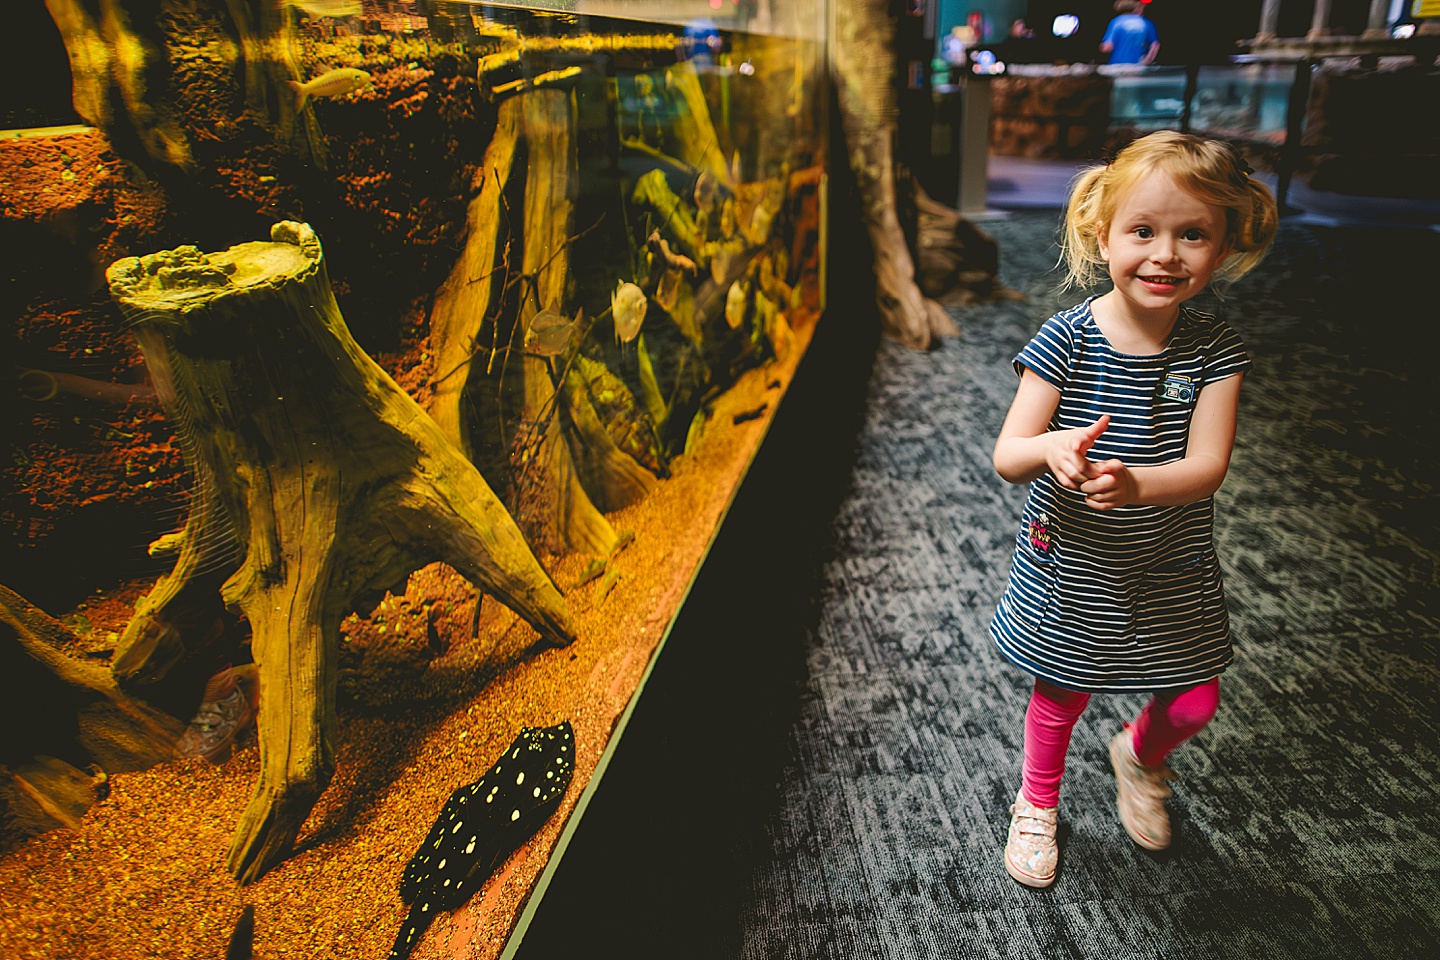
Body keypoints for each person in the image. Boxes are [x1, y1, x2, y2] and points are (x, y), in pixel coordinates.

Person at [989, 132, 1278, 888]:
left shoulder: (1215, 349)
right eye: (1143, 231)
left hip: (1169, 560)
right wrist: (1052, 447)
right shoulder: (1067, 340)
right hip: (1078, 557)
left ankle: (1140, 757)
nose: (1166, 255)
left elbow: (1208, 467)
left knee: (1192, 698)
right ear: (1102, 233)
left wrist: (1140, 485)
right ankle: (1037, 801)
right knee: (1062, 690)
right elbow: (1007, 454)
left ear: (1224, 245)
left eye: (1193, 235)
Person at [1100, 0, 1159, 65]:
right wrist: (1147, 60)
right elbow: (1155, 45)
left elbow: (1108, 47)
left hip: (1117, 65)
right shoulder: (1147, 23)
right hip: (1138, 66)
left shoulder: (1116, 22)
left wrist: (1101, 47)